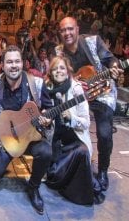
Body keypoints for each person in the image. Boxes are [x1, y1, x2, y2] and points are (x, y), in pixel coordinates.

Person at [0, 45, 53, 215]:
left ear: (23, 63)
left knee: (45, 151)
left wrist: (47, 119)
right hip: (5, 138)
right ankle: (2, 164)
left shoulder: (36, 83)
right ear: (2, 64)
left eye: (17, 61)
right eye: (9, 62)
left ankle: (33, 187)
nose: (13, 65)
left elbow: (49, 109)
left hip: (30, 136)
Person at [59, 17, 123, 192]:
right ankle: (72, 165)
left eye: (70, 29)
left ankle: (102, 170)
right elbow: (58, 76)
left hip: (103, 93)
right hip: (79, 96)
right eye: (63, 30)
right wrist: (72, 82)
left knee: (104, 133)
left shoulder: (93, 41)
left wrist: (115, 67)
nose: (67, 33)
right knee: (65, 126)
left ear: (77, 29)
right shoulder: (60, 53)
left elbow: (111, 60)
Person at [45, 56, 105, 205]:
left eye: (62, 68)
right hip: (56, 144)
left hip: (75, 142)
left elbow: (86, 123)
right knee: (53, 175)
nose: (58, 71)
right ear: (50, 72)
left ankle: (89, 190)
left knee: (82, 152)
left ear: (68, 70)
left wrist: (72, 118)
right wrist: (46, 120)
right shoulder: (47, 89)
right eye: (55, 68)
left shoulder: (76, 89)